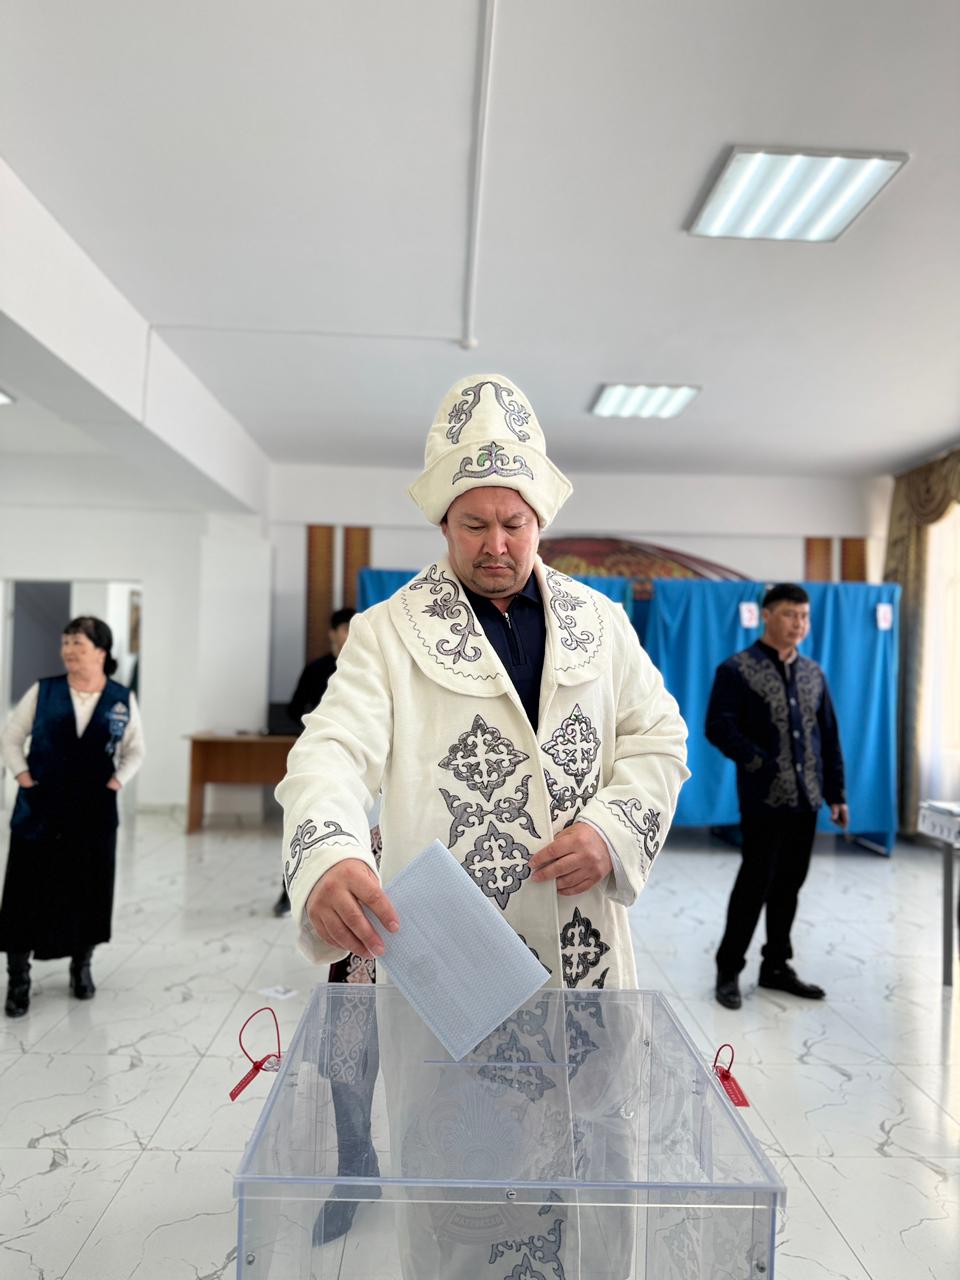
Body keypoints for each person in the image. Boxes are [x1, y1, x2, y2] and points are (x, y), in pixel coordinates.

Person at [276, 374, 689, 1276]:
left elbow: (659, 736)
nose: (497, 544)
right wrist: (332, 854)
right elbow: (329, 753)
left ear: (540, 520)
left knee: (593, 1169)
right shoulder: (388, 634)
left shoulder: (600, 623)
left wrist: (612, 829)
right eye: (475, 525)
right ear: (443, 524)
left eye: (514, 523)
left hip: (583, 948)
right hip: (458, 962)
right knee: (470, 1193)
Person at [705, 583, 848, 1010]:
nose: (798, 624)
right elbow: (718, 726)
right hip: (764, 799)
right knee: (755, 883)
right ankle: (728, 969)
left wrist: (837, 793)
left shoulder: (813, 674)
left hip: (807, 798)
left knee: (790, 885)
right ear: (767, 615)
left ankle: (776, 966)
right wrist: (758, 762)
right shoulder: (737, 670)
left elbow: (829, 737)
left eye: (804, 616)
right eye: (790, 614)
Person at [0, 616, 145, 1017]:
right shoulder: (43, 691)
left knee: (88, 890)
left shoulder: (120, 698)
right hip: (39, 810)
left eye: (78, 643)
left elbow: (136, 750)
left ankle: (82, 966)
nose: (68, 650)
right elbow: (11, 738)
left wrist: (115, 784)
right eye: (65, 642)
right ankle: (18, 979)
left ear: (100, 651)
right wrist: (25, 779)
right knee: (25, 893)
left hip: (93, 813)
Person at [272, 607, 355, 917]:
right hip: (319, 759)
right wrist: (314, 730)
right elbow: (294, 709)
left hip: (357, 759)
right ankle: (288, 892)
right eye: (344, 629)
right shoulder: (316, 669)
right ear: (333, 633)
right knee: (304, 821)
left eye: (353, 628)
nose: (349, 635)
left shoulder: (365, 667)